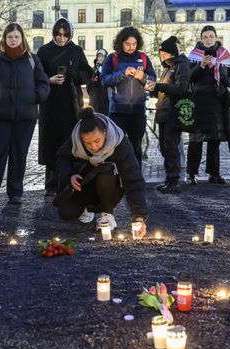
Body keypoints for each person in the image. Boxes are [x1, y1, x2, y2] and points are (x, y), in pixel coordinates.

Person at [0, 23, 50, 206]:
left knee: (19, 153)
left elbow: (43, 83)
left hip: (26, 116)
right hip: (0, 114)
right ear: (4, 39)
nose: (13, 40)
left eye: (16, 37)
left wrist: (37, 96)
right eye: (10, 37)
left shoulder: (32, 59)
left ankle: (15, 192)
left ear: (22, 38)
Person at [54, 107, 148, 235]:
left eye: (97, 141)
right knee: (66, 212)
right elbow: (61, 157)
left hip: (110, 184)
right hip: (86, 182)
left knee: (105, 173)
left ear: (105, 132)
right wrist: (70, 175)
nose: (93, 147)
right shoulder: (75, 141)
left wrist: (139, 216)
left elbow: (133, 179)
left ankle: (107, 214)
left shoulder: (120, 144)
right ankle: (88, 207)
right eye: (87, 143)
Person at [37, 17, 92, 196]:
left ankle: (69, 181)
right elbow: (36, 75)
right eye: (58, 34)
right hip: (50, 104)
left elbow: (87, 73)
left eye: (65, 35)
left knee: (70, 141)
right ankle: (51, 184)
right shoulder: (44, 51)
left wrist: (73, 73)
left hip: (70, 103)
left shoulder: (76, 51)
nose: (61, 38)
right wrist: (49, 79)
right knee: (51, 142)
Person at [186, 25, 230, 185]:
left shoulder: (223, 54)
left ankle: (214, 173)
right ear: (201, 39)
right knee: (196, 140)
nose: (208, 40)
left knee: (214, 140)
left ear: (215, 37)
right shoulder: (194, 55)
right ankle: (191, 173)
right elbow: (189, 77)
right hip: (199, 101)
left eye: (211, 36)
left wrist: (227, 83)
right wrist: (201, 66)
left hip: (217, 100)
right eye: (205, 37)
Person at [101, 26, 156, 167]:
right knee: (116, 146)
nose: (131, 47)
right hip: (117, 112)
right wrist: (122, 74)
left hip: (138, 111)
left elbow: (153, 80)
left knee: (136, 147)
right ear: (121, 43)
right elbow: (104, 80)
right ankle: (116, 177)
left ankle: (136, 177)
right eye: (127, 44)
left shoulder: (143, 58)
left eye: (134, 44)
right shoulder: (112, 58)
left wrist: (143, 77)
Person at [151, 36, 190, 194]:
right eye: (161, 54)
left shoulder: (182, 66)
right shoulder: (167, 68)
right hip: (163, 112)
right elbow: (163, 92)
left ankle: (174, 181)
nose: (162, 57)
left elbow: (180, 89)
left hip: (173, 113)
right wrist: (152, 88)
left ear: (172, 53)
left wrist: (159, 86)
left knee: (171, 147)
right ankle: (169, 178)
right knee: (165, 148)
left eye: (165, 54)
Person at [88, 48, 109, 116]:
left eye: (102, 56)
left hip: (105, 100)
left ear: (106, 57)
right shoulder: (93, 69)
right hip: (94, 100)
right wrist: (92, 94)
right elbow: (89, 84)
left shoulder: (109, 70)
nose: (100, 58)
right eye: (99, 56)